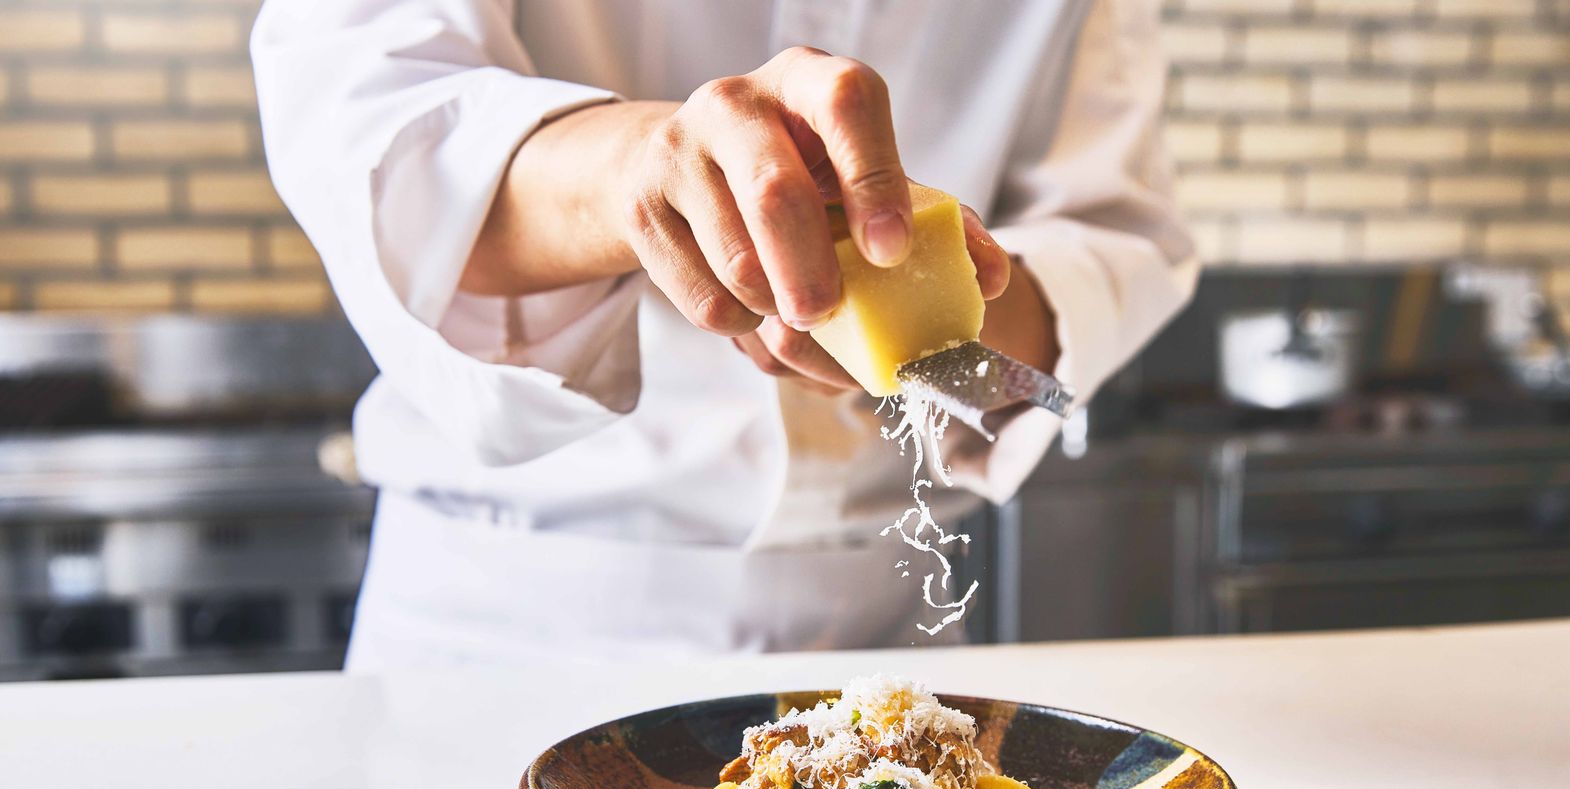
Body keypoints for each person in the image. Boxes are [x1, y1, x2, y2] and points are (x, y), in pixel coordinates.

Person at [251, 0, 1198, 668]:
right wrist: (639, 171)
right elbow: (368, 120)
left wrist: (928, 328)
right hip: (503, 634)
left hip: (889, 630)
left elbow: (1110, 234)